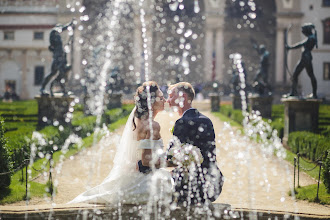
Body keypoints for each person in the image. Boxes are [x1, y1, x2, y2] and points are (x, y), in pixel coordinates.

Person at [69, 81, 173, 204]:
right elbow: (146, 161)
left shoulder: (137, 119)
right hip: (145, 179)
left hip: (132, 175)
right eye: (161, 97)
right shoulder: (152, 126)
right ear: (151, 102)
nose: (165, 100)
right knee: (175, 185)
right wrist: (172, 162)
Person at [166, 82, 224, 205]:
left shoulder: (182, 122)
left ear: (183, 97)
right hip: (214, 184)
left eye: (171, 96)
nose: (167, 100)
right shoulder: (206, 120)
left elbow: (170, 157)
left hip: (191, 186)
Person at [40, 20, 74, 96]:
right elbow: (61, 29)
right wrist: (69, 25)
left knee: (60, 73)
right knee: (57, 73)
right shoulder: (54, 32)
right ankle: (43, 88)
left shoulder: (57, 36)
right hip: (58, 57)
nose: (60, 29)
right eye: (59, 27)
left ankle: (63, 90)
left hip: (60, 56)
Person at [286, 23, 318, 98]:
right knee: (296, 74)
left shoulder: (311, 38)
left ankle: (314, 93)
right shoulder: (311, 37)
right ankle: (293, 92)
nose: (303, 33)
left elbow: (300, 44)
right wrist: (290, 47)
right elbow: (301, 44)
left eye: (304, 31)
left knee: (309, 75)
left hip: (306, 58)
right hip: (305, 57)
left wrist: (290, 47)